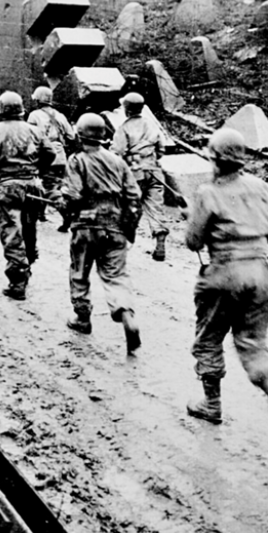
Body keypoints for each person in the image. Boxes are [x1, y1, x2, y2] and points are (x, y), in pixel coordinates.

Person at [184, 128, 268, 440]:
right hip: (260, 273)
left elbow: (193, 241)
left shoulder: (207, 192)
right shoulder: (261, 187)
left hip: (223, 274)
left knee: (208, 338)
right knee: (253, 343)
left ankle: (212, 404)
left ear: (215, 160)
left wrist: (192, 218)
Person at [60, 113, 142, 354]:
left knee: (80, 271)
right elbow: (134, 195)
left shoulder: (77, 160)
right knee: (116, 275)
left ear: (80, 135)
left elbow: (73, 195)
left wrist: (63, 206)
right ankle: (126, 313)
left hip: (86, 226)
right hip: (115, 227)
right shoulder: (118, 161)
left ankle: (82, 318)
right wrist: (129, 226)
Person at [0, 91, 56, 301]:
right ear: (21, 110)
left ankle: (17, 281)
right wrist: (36, 169)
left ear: (0, 110)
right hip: (33, 184)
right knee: (29, 226)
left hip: (8, 185)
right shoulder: (34, 131)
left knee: (11, 230)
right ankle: (28, 260)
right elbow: (51, 154)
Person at [111, 92, 169, 261]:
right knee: (154, 207)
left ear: (126, 109)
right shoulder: (152, 125)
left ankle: (121, 246)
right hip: (154, 171)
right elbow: (161, 150)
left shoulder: (124, 128)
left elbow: (117, 153)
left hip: (135, 174)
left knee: (129, 208)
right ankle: (159, 240)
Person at [27, 86, 77, 231]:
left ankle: (67, 214)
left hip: (45, 156)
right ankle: (41, 214)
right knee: (54, 185)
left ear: (37, 100)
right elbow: (71, 136)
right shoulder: (60, 115)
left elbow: (30, 137)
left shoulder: (34, 115)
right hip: (61, 157)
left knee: (48, 187)